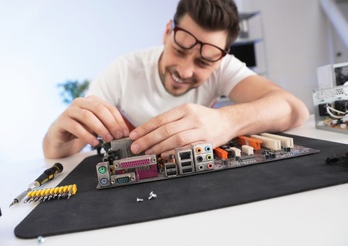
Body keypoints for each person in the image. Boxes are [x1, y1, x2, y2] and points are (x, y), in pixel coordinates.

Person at [43, 0, 309, 159]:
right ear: (168, 32)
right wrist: (57, 137)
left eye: (203, 62)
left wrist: (226, 121)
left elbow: (294, 109)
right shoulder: (122, 72)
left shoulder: (223, 67)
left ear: (220, 59)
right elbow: (68, 148)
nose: (184, 70)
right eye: (180, 51)